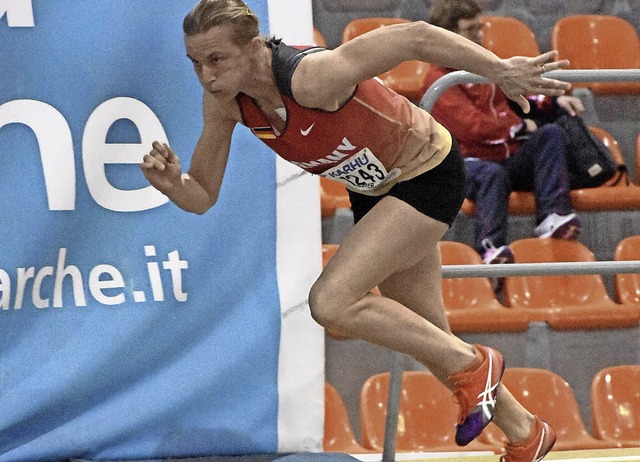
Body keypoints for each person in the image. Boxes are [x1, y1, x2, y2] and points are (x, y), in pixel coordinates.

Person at [140, 1, 570, 459]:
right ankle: (525, 432)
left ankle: (476, 365)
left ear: (252, 47)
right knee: (429, 336)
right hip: (375, 191)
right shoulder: (225, 103)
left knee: (330, 302)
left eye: (216, 59)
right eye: (195, 63)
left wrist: (498, 70)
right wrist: (172, 185)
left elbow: (415, 37)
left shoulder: (311, 77)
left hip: (427, 175)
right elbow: (202, 194)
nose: (205, 75)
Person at [424, 0, 584, 266]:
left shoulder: (488, 62)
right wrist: (517, 127)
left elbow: (517, 93)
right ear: (448, 33)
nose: (479, 34)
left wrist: (553, 102)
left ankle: (553, 215)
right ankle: (491, 249)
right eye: (470, 29)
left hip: (506, 155)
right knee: (491, 174)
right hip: (467, 164)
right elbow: (472, 127)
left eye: (480, 27)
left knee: (550, 134)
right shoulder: (438, 80)